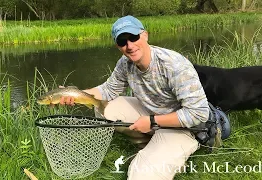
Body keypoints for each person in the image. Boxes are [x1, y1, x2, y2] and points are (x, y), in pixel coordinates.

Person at [59, 15, 209, 180]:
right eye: (123, 41)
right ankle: (149, 146)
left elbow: (199, 113)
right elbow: (108, 90)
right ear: (118, 45)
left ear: (145, 35)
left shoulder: (174, 65)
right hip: (152, 113)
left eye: (133, 37)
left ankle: (172, 152)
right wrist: (73, 93)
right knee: (105, 109)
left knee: (140, 176)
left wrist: (152, 121)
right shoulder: (125, 63)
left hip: (183, 128)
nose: (129, 45)